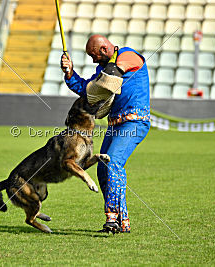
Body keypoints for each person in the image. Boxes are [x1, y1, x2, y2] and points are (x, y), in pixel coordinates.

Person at [61, 34, 150, 233]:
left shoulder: (128, 55)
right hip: (115, 124)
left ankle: (112, 219)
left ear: (103, 49)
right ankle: (122, 222)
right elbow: (88, 91)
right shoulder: (102, 69)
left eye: (93, 55)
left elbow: (116, 71)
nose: (93, 60)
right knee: (103, 168)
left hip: (134, 122)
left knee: (113, 163)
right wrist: (70, 73)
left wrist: (100, 81)